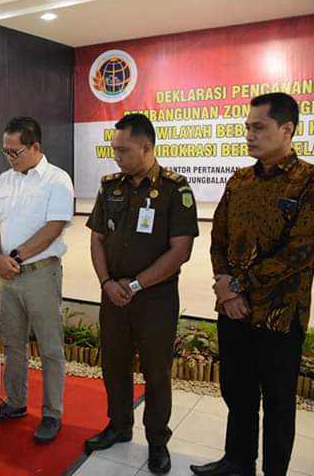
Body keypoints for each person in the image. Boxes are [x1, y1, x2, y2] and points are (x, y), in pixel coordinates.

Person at [191, 93, 314, 476]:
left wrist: (237, 286)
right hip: (233, 311)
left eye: (259, 127)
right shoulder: (239, 181)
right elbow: (218, 238)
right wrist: (225, 288)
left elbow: (299, 253)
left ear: (286, 129)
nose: (249, 135)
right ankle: (237, 462)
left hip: (279, 316)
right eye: (247, 128)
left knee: (277, 403)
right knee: (237, 392)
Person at [84, 113, 198, 473]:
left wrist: (135, 285)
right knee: (114, 364)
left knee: (156, 371)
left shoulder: (175, 190)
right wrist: (106, 283)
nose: (116, 156)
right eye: (114, 149)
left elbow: (180, 251)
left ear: (146, 148)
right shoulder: (110, 187)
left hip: (154, 299)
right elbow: (97, 239)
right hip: (113, 295)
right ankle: (119, 425)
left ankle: (157, 441)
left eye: (123, 150)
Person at [0, 117, 74, 444]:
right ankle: (15, 401)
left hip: (40, 274)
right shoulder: (4, 180)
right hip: (7, 274)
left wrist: (15, 257)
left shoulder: (57, 180)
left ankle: (52, 412)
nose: (10, 158)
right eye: (5, 152)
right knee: (12, 343)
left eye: (15, 152)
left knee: (49, 347)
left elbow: (53, 228)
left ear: (35, 146)